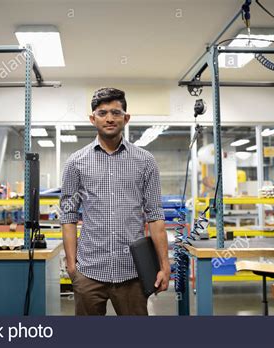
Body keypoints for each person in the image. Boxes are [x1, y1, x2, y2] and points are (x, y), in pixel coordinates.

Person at [60, 87, 170, 316]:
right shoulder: (76, 162)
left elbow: (155, 216)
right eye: (102, 113)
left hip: (133, 273)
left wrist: (164, 265)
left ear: (126, 118)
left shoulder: (145, 161)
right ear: (92, 119)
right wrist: (72, 267)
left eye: (115, 112)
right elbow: (68, 216)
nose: (109, 118)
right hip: (89, 272)